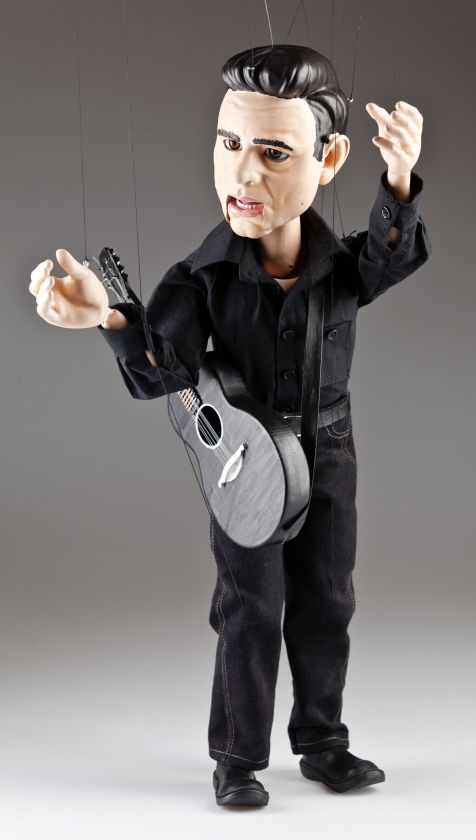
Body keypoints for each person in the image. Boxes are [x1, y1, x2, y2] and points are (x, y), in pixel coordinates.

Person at [30, 44, 431, 807]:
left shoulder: (341, 268)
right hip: (243, 463)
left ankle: (323, 740)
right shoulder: (201, 279)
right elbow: (164, 372)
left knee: (328, 598)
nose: (243, 174)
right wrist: (108, 319)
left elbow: (393, 253)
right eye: (229, 143)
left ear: (328, 159)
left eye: (274, 152)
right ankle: (237, 757)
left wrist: (400, 180)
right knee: (250, 608)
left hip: (329, 449)